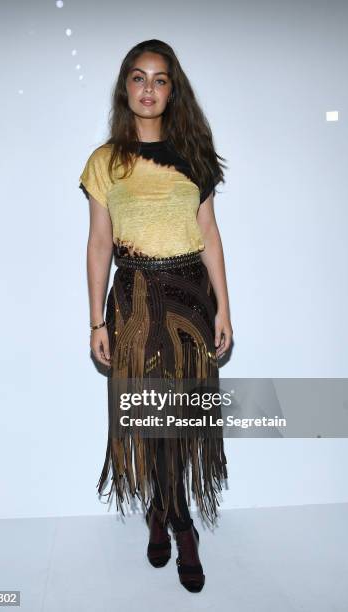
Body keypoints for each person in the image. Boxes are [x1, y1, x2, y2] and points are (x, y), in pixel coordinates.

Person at [79, 39, 233, 593]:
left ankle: (176, 519)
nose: (149, 89)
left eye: (160, 79)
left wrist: (226, 312)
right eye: (139, 78)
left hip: (192, 299)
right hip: (136, 301)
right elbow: (100, 244)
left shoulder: (194, 153)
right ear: (126, 87)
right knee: (149, 414)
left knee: (183, 415)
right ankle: (167, 513)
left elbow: (210, 235)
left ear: (173, 88)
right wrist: (96, 320)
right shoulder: (105, 162)